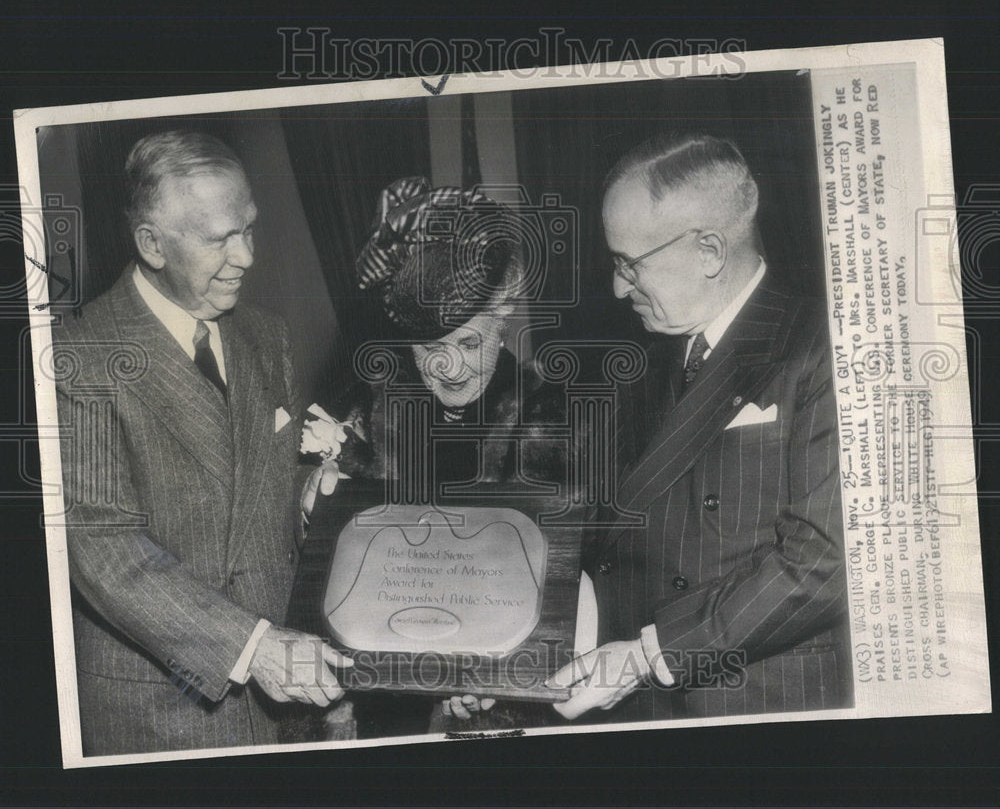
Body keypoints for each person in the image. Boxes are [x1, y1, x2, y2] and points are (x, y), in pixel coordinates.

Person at [52, 130, 351, 756]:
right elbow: (103, 549)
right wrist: (254, 645)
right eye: (220, 238)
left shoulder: (266, 335)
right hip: (161, 712)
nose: (247, 256)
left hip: (279, 707)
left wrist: (313, 492)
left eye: (249, 228)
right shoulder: (77, 357)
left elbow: (257, 488)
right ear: (151, 245)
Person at [548, 133, 849, 721]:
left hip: (749, 699)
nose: (616, 287)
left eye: (629, 264)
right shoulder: (647, 351)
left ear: (710, 251)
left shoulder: (822, 346)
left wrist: (648, 653)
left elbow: (825, 560)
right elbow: (603, 531)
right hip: (626, 690)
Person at [310, 177, 569, 735]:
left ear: (503, 324)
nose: (448, 368)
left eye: (469, 344)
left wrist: (488, 684)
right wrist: (311, 500)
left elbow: (559, 593)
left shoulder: (545, 416)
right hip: (380, 677)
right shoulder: (371, 400)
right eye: (430, 348)